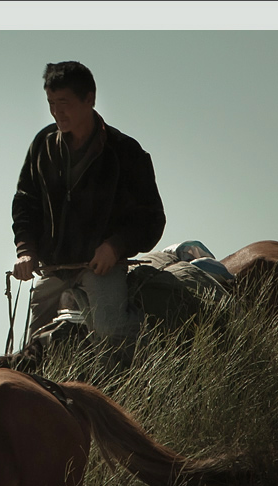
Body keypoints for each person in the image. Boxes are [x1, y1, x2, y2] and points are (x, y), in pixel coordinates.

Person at [11, 61, 166, 372]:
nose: (57, 113)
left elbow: (151, 218)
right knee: (32, 349)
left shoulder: (125, 152)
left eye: (64, 104)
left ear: (90, 99)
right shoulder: (43, 145)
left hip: (100, 267)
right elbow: (25, 202)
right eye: (51, 104)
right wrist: (25, 249)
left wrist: (115, 247)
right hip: (54, 267)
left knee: (111, 332)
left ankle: (155, 366)